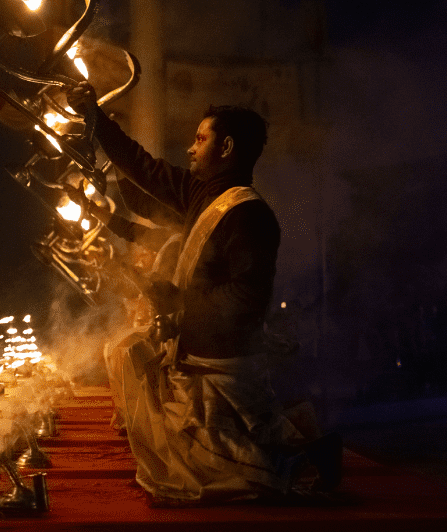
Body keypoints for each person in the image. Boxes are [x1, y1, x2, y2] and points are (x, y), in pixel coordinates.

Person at [67, 84, 337, 504]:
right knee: (135, 362)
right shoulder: (200, 193)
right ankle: (286, 449)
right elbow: (143, 170)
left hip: (222, 362)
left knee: (226, 473)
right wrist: (97, 119)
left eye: (200, 139)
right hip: (198, 349)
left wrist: (180, 304)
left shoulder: (249, 214)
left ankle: (299, 458)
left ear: (226, 146)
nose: (190, 149)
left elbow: (246, 298)